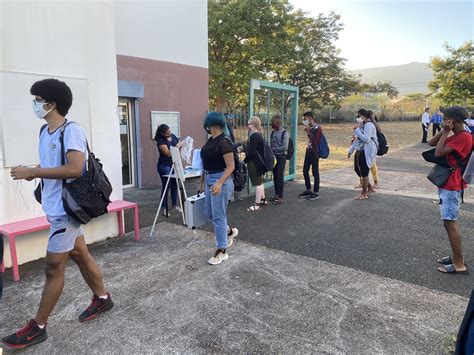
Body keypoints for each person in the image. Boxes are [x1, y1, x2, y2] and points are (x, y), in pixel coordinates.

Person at [4, 79, 113, 349]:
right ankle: (102, 298)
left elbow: (76, 168)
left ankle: (38, 326)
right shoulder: (45, 131)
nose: (35, 104)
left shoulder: (71, 130)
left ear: (52, 104)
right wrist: (33, 170)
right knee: (80, 254)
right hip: (55, 207)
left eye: (37, 99)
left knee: (53, 267)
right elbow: (53, 164)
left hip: (67, 211)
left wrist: (34, 173)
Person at [428, 106, 472, 274]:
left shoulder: (464, 138)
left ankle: (459, 264)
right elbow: (432, 143)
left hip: (452, 185)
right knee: (448, 223)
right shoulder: (458, 135)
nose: (442, 120)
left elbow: (438, 152)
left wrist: (446, 132)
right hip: (448, 184)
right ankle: (455, 257)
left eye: (445, 118)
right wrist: (444, 131)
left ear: (452, 120)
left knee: (450, 223)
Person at [198, 112, 238, 265]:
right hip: (209, 179)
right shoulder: (210, 141)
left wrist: (220, 182)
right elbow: (205, 165)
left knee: (218, 216)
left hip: (220, 179)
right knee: (209, 214)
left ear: (212, 124)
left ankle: (222, 251)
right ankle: (228, 232)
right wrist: (201, 182)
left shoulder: (224, 142)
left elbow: (231, 166)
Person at [348, 108, 378, 200]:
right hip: (360, 150)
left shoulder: (368, 125)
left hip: (366, 152)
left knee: (364, 172)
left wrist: (357, 130)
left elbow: (366, 139)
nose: (357, 118)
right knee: (358, 170)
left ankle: (364, 194)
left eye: (358, 116)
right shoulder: (362, 124)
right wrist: (351, 150)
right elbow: (357, 139)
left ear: (363, 116)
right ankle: (370, 187)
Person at [154, 124, 184, 216]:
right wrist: (178, 146)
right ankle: (164, 208)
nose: (170, 134)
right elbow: (167, 153)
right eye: (167, 133)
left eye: (170, 131)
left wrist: (181, 147)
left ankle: (174, 206)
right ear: (162, 133)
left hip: (174, 164)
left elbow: (178, 149)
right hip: (164, 166)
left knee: (175, 185)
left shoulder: (173, 136)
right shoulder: (161, 141)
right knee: (167, 186)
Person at [244, 116, 267, 211]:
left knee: (258, 183)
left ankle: (256, 205)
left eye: (249, 124)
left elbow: (252, 152)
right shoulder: (259, 135)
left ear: (253, 125)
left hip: (254, 163)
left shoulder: (254, 136)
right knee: (260, 182)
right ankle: (262, 199)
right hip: (259, 162)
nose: (248, 126)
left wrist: (244, 161)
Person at [298, 111, 322, 200]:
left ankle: (316, 192)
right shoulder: (311, 128)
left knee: (315, 172)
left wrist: (308, 132)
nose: (304, 120)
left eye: (305, 119)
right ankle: (308, 189)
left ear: (310, 118)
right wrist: (308, 130)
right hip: (308, 151)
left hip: (314, 153)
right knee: (305, 171)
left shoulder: (317, 128)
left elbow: (315, 142)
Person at [270, 115, 289, 204]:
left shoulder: (284, 133)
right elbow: (271, 144)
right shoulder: (273, 133)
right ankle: (276, 194)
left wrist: (274, 149)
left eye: (273, 123)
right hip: (274, 157)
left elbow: (285, 147)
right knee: (275, 175)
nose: (271, 125)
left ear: (278, 123)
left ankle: (280, 197)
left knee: (280, 176)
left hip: (281, 157)